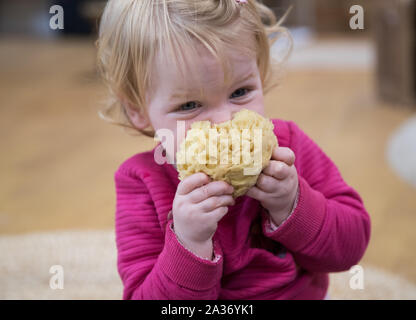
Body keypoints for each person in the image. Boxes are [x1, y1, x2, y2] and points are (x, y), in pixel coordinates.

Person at [97, 0, 371, 300]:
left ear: (260, 72)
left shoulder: (287, 148)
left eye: (240, 92)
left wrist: (292, 204)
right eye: (189, 105)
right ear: (138, 109)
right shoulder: (141, 182)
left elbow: (351, 246)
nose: (223, 121)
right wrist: (189, 243)